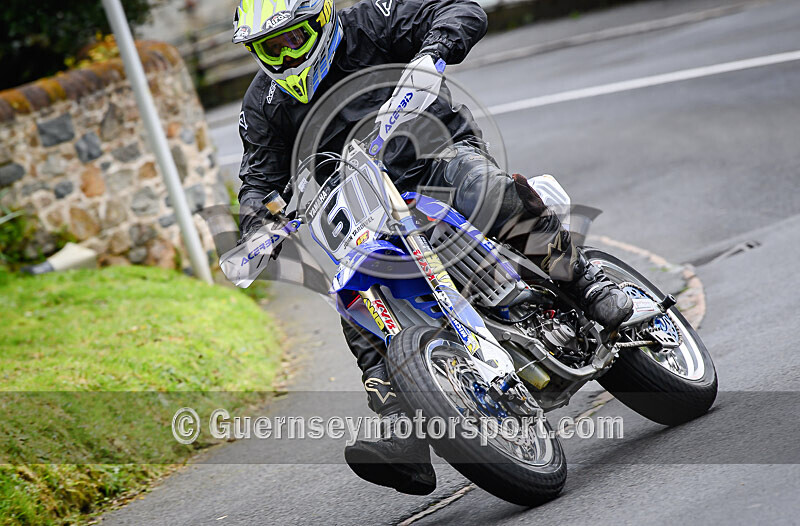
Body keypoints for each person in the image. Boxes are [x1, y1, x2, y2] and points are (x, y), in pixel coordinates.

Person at [232, 0, 633, 496]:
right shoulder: (263, 103)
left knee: (487, 193)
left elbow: (459, 11)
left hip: (434, 157)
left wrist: (433, 53)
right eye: (272, 47)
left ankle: (586, 282)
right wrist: (257, 222)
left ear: (320, 20)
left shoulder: (370, 22)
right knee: (353, 294)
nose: (287, 54)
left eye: (294, 37)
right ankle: (401, 427)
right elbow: (258, 175)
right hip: (360, 203)